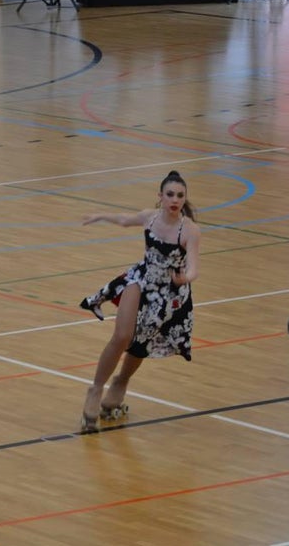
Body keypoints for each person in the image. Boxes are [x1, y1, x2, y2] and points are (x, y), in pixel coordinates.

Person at [78, 170, 199, 432]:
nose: (174, 199)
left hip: (169, 293)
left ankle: (121, 382)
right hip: (142, 279)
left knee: (140, 343)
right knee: (122, 336)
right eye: (169, 194)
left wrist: (184, 279)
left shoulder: (190, 230)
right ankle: (95, 389)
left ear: (184, 198)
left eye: (180, 195)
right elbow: (124, 220)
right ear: (160, 197)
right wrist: (100, 215)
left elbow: (193, 268)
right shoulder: (150, 217)